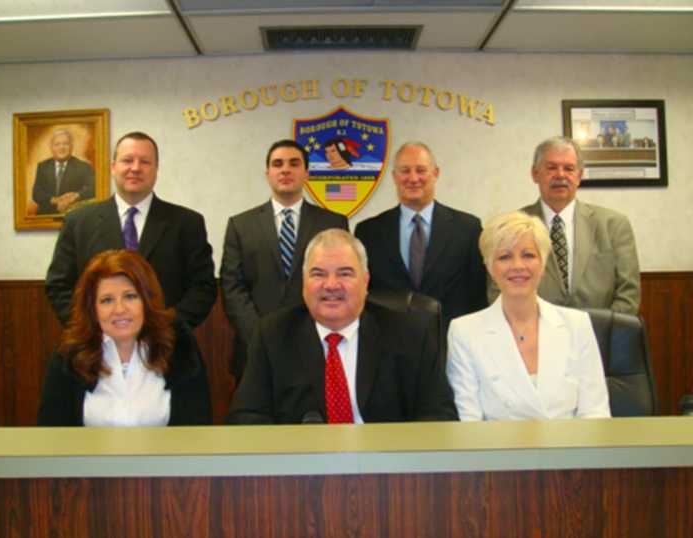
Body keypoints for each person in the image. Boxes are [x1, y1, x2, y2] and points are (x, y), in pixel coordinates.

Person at [226, 229, 456, 424]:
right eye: (318, 274)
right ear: (304, 282)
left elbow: (438, 416)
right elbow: (247, 416)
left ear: (365, 282)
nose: (331, 285)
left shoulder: (410, 334)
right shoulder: (273, 334)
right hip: (303, 469)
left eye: (345, 273)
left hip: (387, 467)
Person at [448, 211, 611, 421]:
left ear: (543, 264)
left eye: (528, 255)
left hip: (569, 450)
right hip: (497, 452)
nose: (518, 266)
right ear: (489, 267)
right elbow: (468, 421)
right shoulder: (464, 332)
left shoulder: (577, 325)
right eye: (504, 257)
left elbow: (595, 413)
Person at [45, 131, 217, 329]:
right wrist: (91, 328)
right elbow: (59, 286)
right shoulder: (78, 222)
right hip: (97, 347)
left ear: (156, 169)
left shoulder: (187, 223)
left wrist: (166, 327)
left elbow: (202, 288)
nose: (135, 168)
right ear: (113, 167)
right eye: (127, 160)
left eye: (144, 162)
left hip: (168, 347)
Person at [220, 139, 348, 380]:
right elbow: (232, 287)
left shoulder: (332, 223)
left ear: (306, 173)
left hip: (316, 345)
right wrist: (260, 336)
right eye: (278, 164)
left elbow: (339, 285)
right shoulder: (241, 225)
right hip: (254, 348)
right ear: (268, 173)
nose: (285, 169)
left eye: (294, 163)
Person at [38, 250, 212, 426]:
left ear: (147, 301)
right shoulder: (71, 352)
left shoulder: (178, 347)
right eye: (107, 300)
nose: (119, 309)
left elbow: (197, 430)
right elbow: (52, 434)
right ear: (92, 308)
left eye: (130, 296)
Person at [355, 141, 487, 329]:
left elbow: (478, 296)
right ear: (394, 176)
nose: (413, 178)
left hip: (451, 344)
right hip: (387, 345)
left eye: (421, 170)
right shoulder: (368, 232)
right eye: (405, 170)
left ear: (436, 174)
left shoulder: (468, 228)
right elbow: (362, 296)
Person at [508, 136, 640, 314]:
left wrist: (605, 332)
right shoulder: (511, 226)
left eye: (569, 168)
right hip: (533, 335)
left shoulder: (613, 225)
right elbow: (499, 289)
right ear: (535, 174)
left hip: (599, 335)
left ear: (579, 176)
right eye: (551, 167)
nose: (560, 175)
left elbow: (628, 293)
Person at [32, 129, 95, 215]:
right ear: (51, 147)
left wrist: (75, 196)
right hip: (46, 215)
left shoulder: (84, 167)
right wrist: (55, 200)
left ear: (71, 146)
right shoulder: (43, 166)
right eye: (57, 144)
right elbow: (36, 193)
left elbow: (92, 189)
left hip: (73, 214)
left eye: (65, 144)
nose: (61, 147)